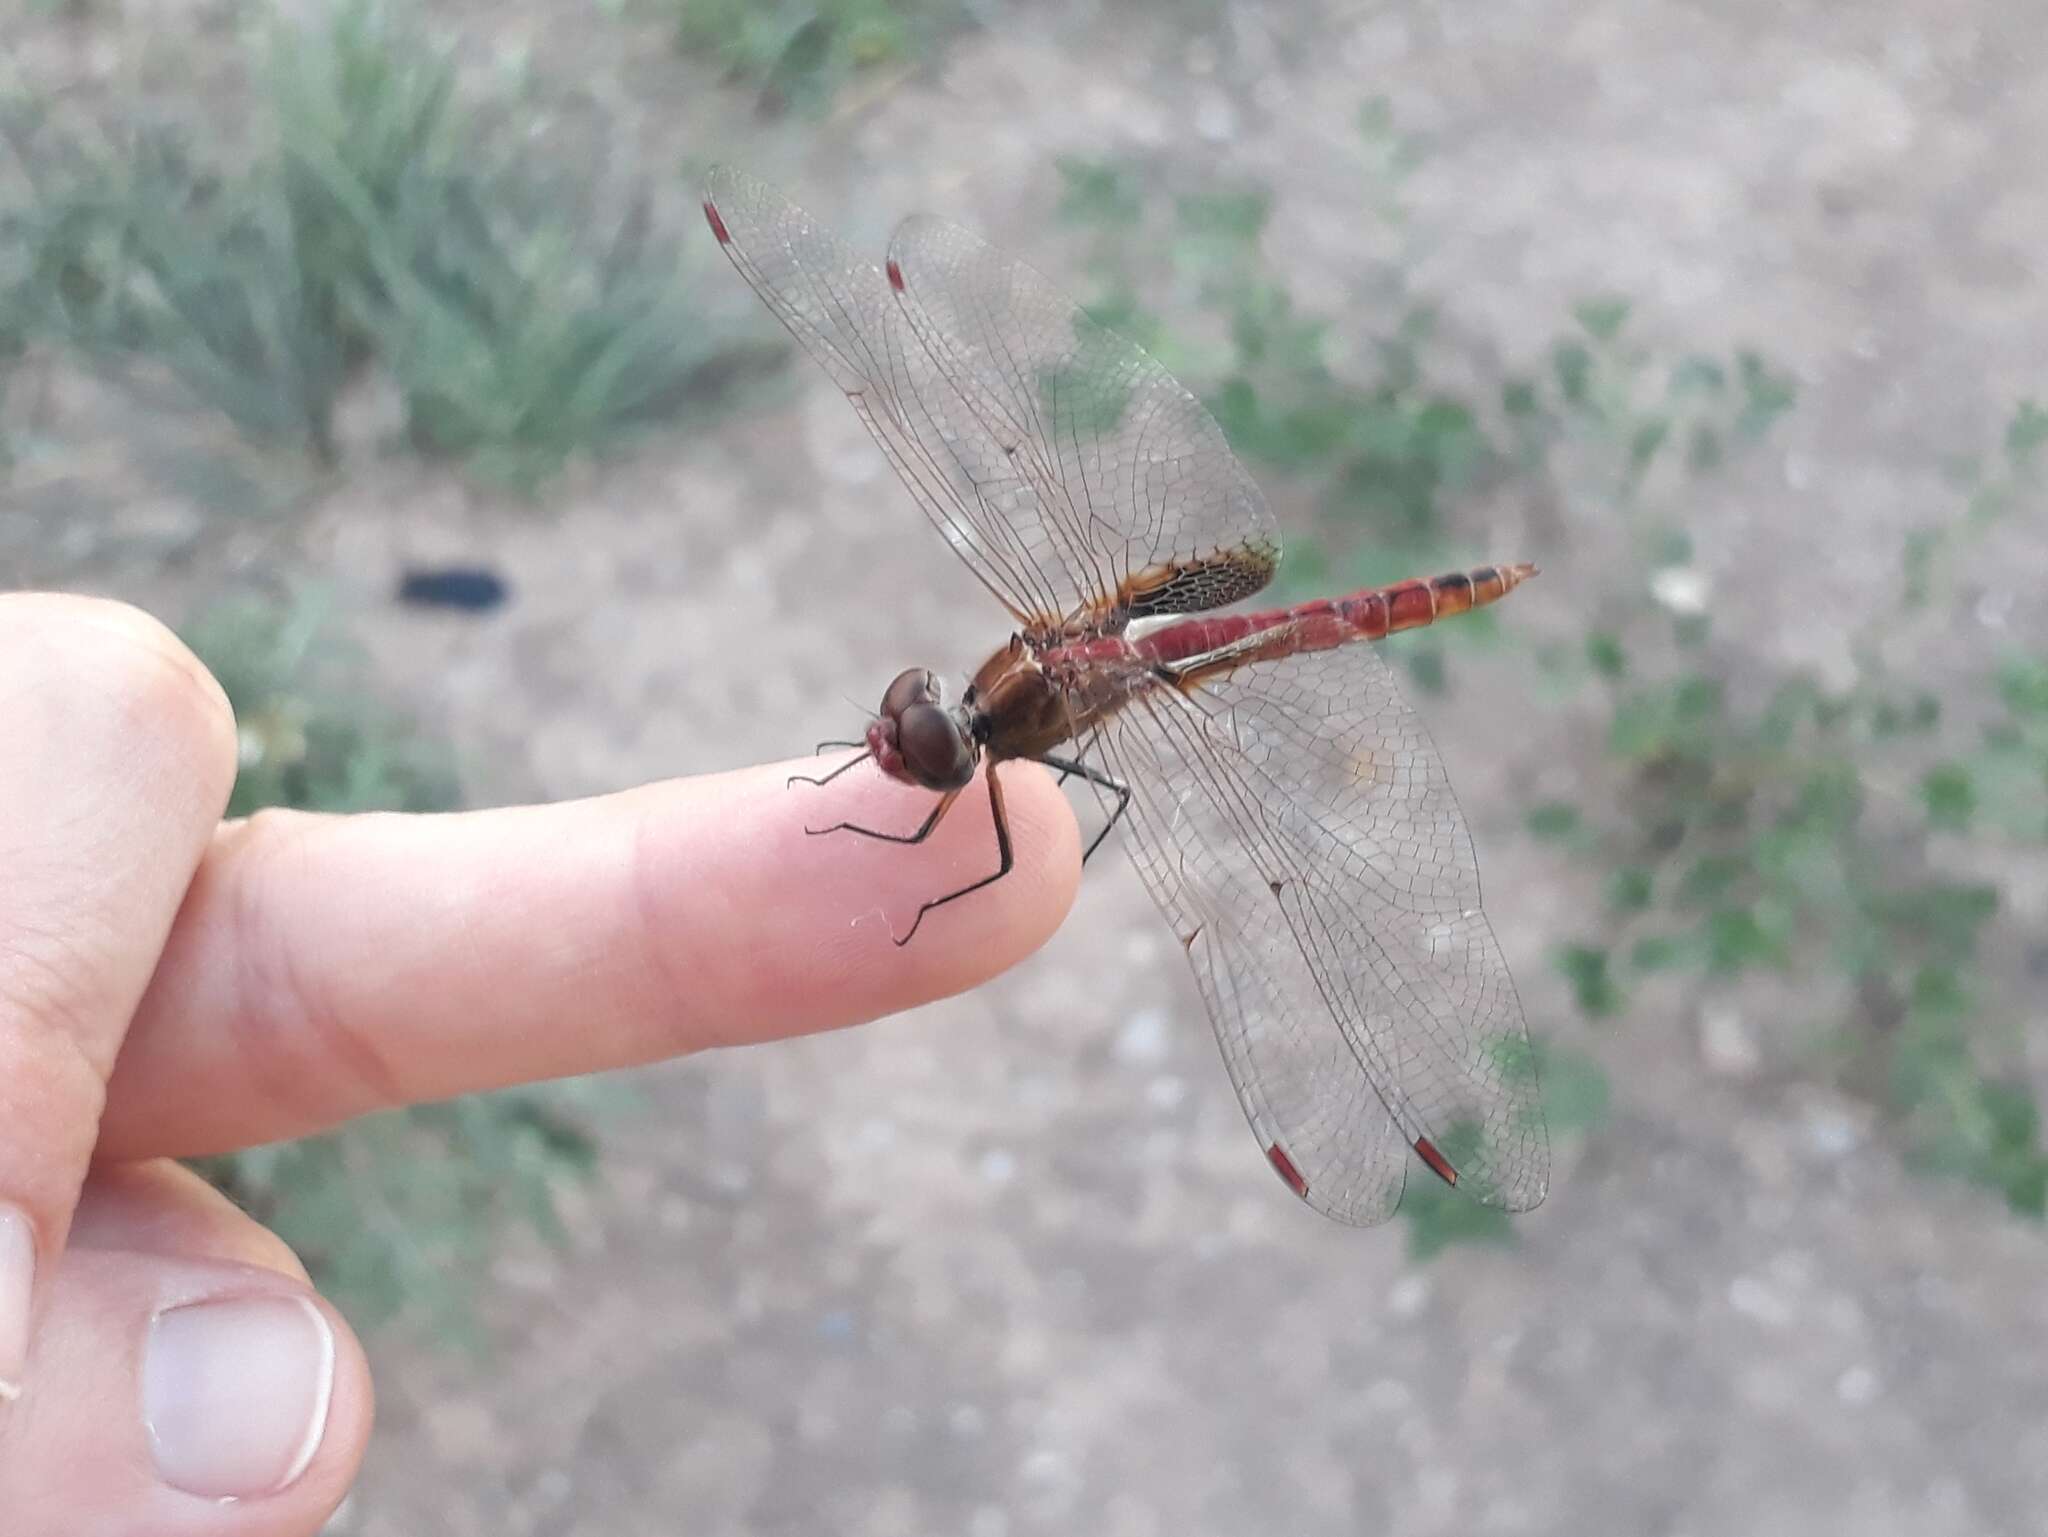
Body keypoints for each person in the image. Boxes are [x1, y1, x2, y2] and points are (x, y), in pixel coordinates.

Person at [0, 592, 1078, 1531]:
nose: (893, 743)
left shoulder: (1004, 741)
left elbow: (955, 849)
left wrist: (915, 892)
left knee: (1018, 852)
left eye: (911, 744)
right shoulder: (976, 703)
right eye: (904, 720)